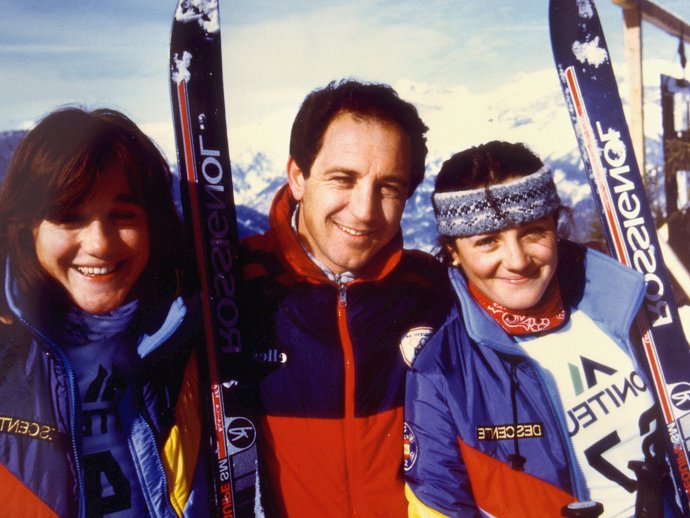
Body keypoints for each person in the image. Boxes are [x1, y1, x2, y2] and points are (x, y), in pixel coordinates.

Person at [403, 141, 682, 518]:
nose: (517, 261)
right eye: (487, 241)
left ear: (556, 224)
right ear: (453, 250)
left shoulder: (628, 300)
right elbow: (440, 507)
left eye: (533, 232)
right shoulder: (443, 375)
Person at [239, 79, 452, 517]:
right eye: (343, 179)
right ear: (298, 176)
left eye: (389, 187)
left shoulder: (431, 292)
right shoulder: (235, 286)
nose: (365, 210)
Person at [0, 107, 209, 518]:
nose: (99, 243)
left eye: (123, 216)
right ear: (28, 227)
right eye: (70, 217)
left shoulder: (194, 339)